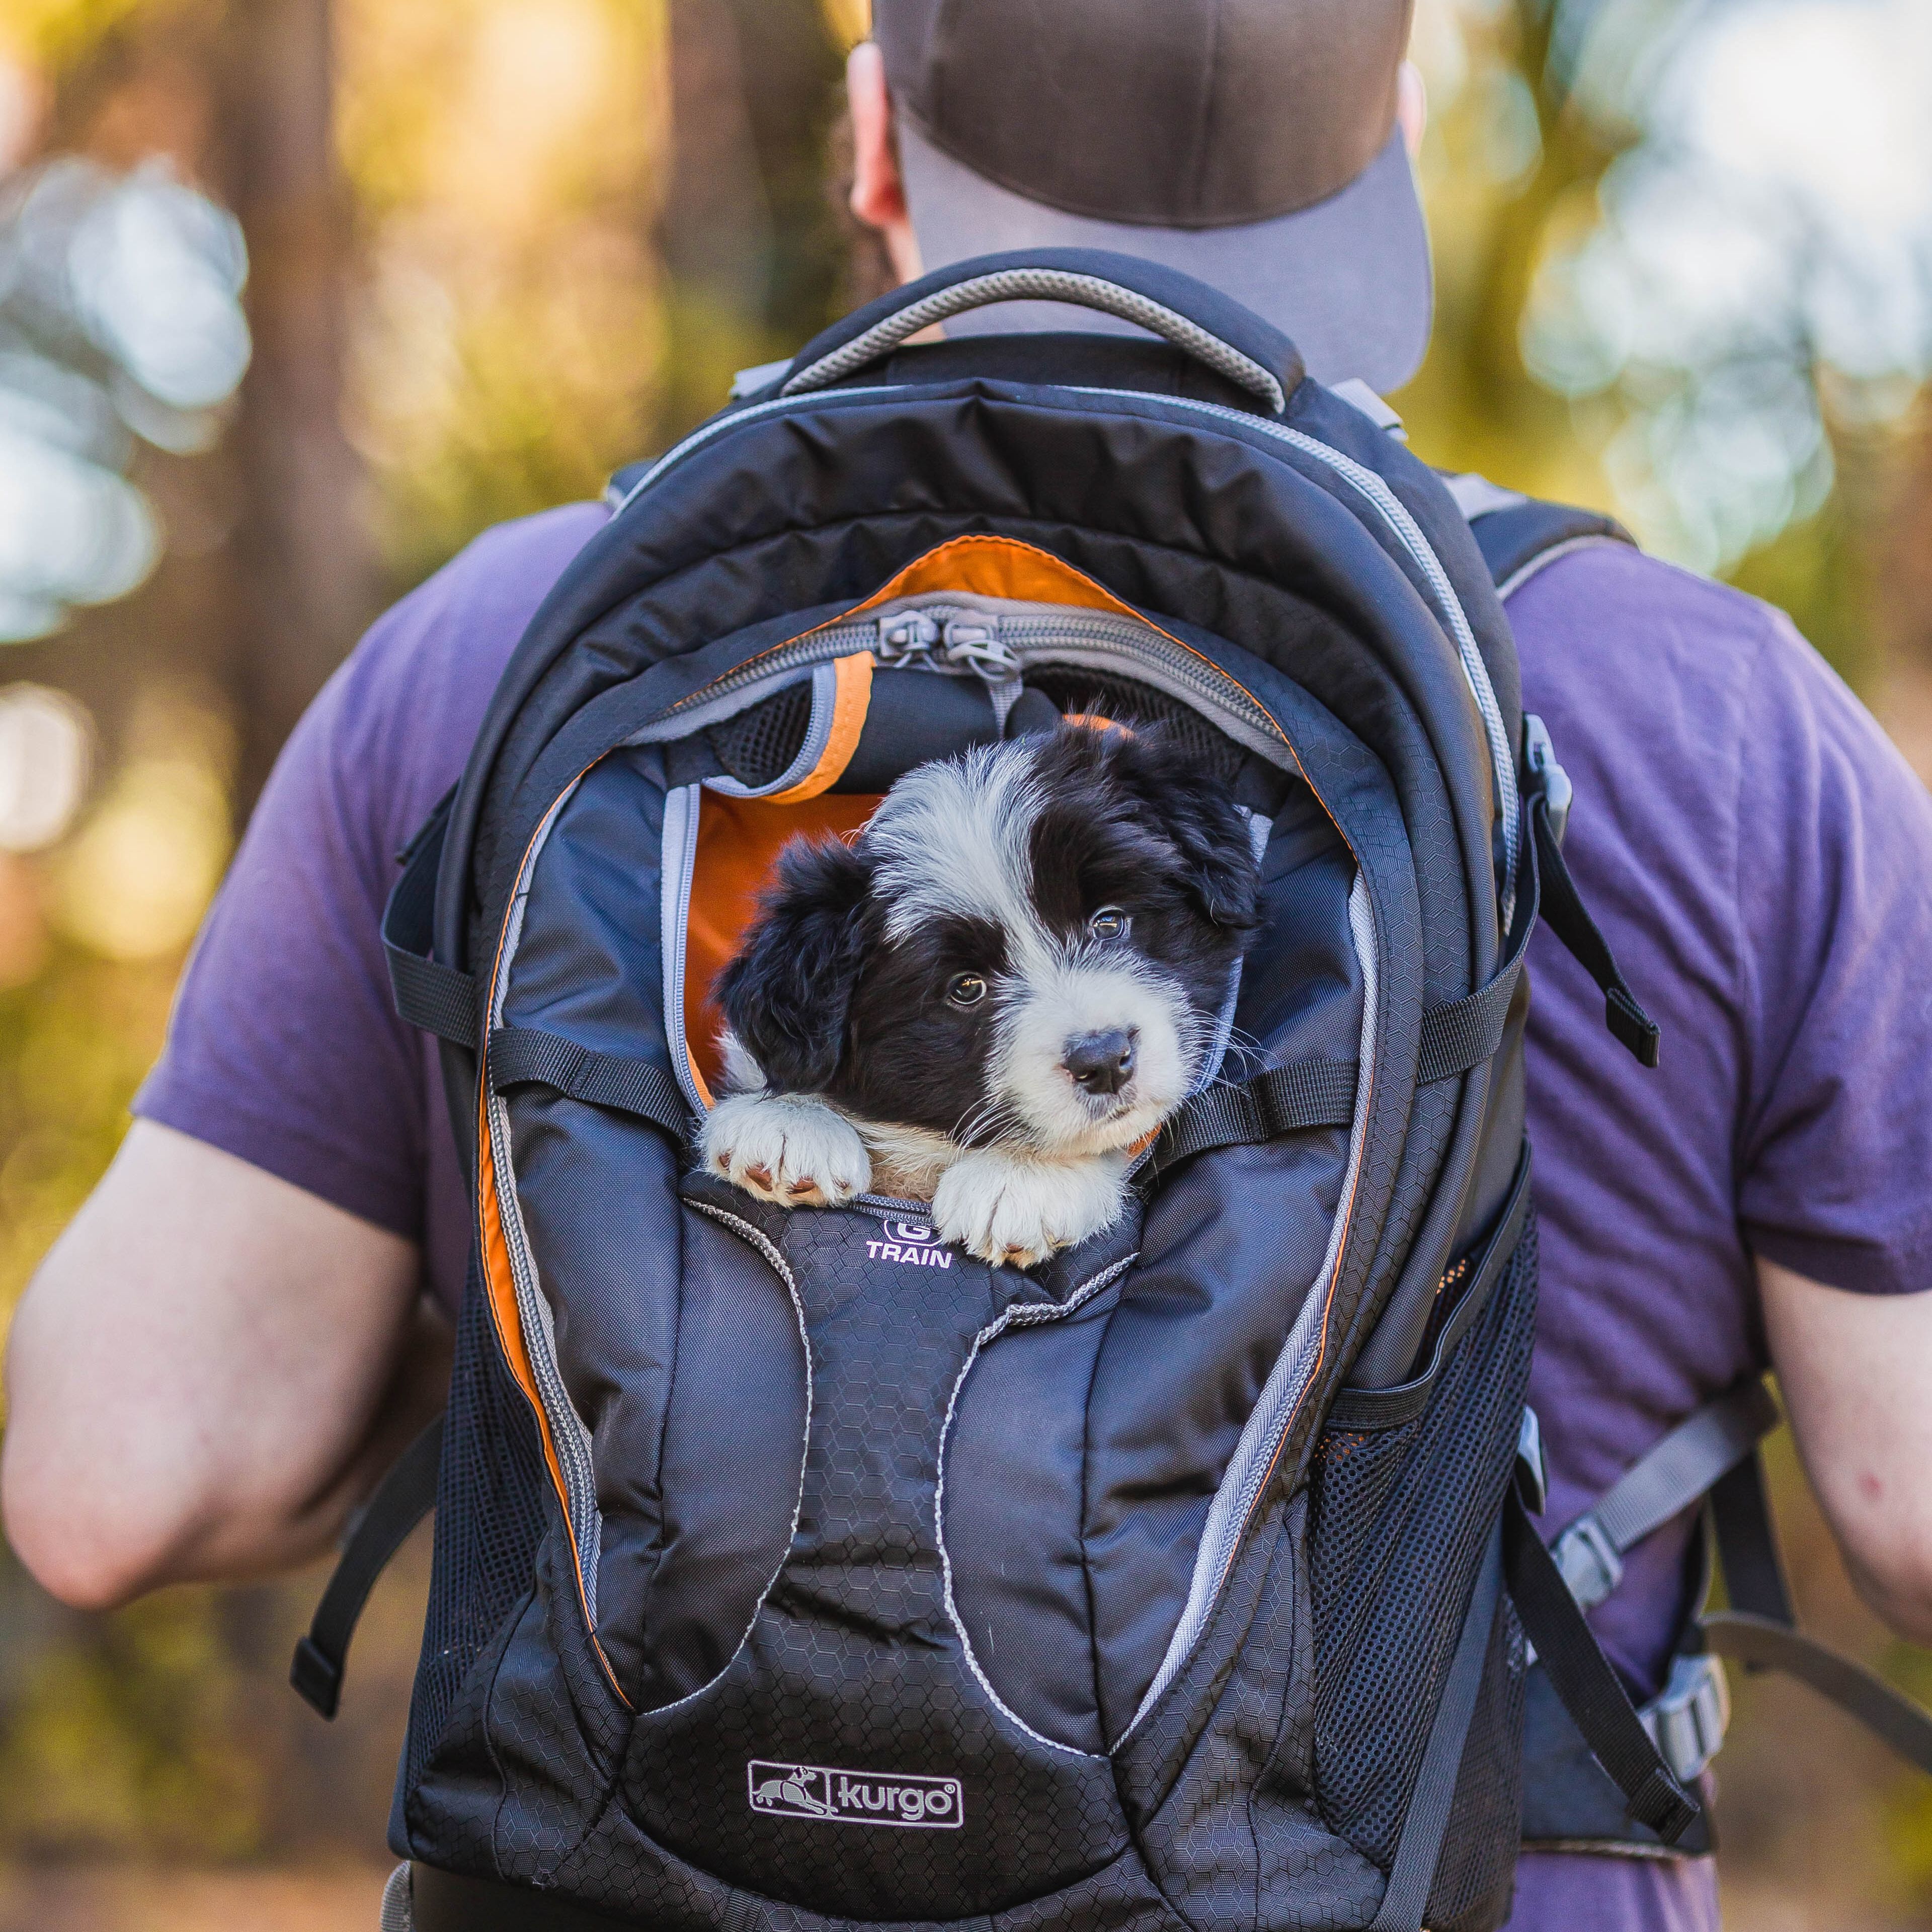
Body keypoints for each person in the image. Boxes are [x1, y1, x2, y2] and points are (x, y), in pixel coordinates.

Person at [7, 5, 1932, 1928]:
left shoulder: (500, 651)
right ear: (1399, 135)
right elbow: (1910, 1503)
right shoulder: (1711, 718)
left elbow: (115, 1480)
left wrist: (594, 1312)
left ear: (870, 141)